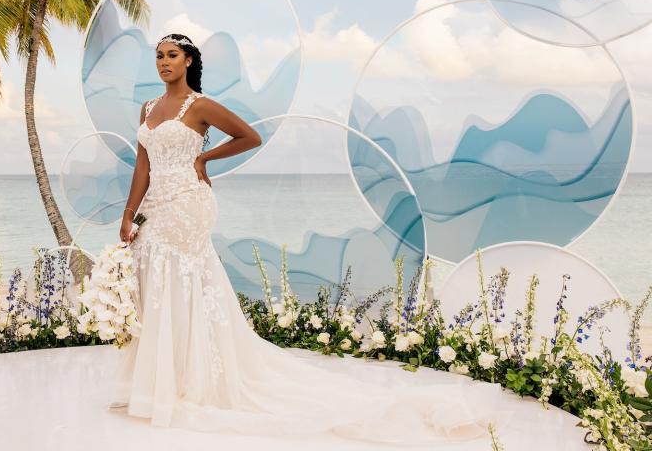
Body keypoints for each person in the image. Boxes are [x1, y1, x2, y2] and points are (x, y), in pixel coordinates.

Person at [111, 33, 507, 443]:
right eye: (158, 56)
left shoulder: (201, 106)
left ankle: (191, 381)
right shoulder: (148, 108)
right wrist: (127, 214)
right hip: (157, 201)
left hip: (189, 204)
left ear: (189, 60)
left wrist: (203, 158)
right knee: (155, 279)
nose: (163, 62)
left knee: (183, 279)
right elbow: (143, 164)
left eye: (172, 55)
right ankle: (162, 379)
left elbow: (249, 137)